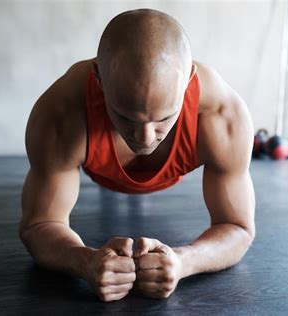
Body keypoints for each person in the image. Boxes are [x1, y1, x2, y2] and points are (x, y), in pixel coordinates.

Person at [19, 8, 255, 302]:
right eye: (126, 117)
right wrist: (85, 262)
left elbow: (238, 227)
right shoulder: (63, 111)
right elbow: (39, 224)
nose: (144, 138)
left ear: (188, 82)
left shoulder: (222, 115)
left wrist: (183, 262)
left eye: (164, 118)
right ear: (98, 80)